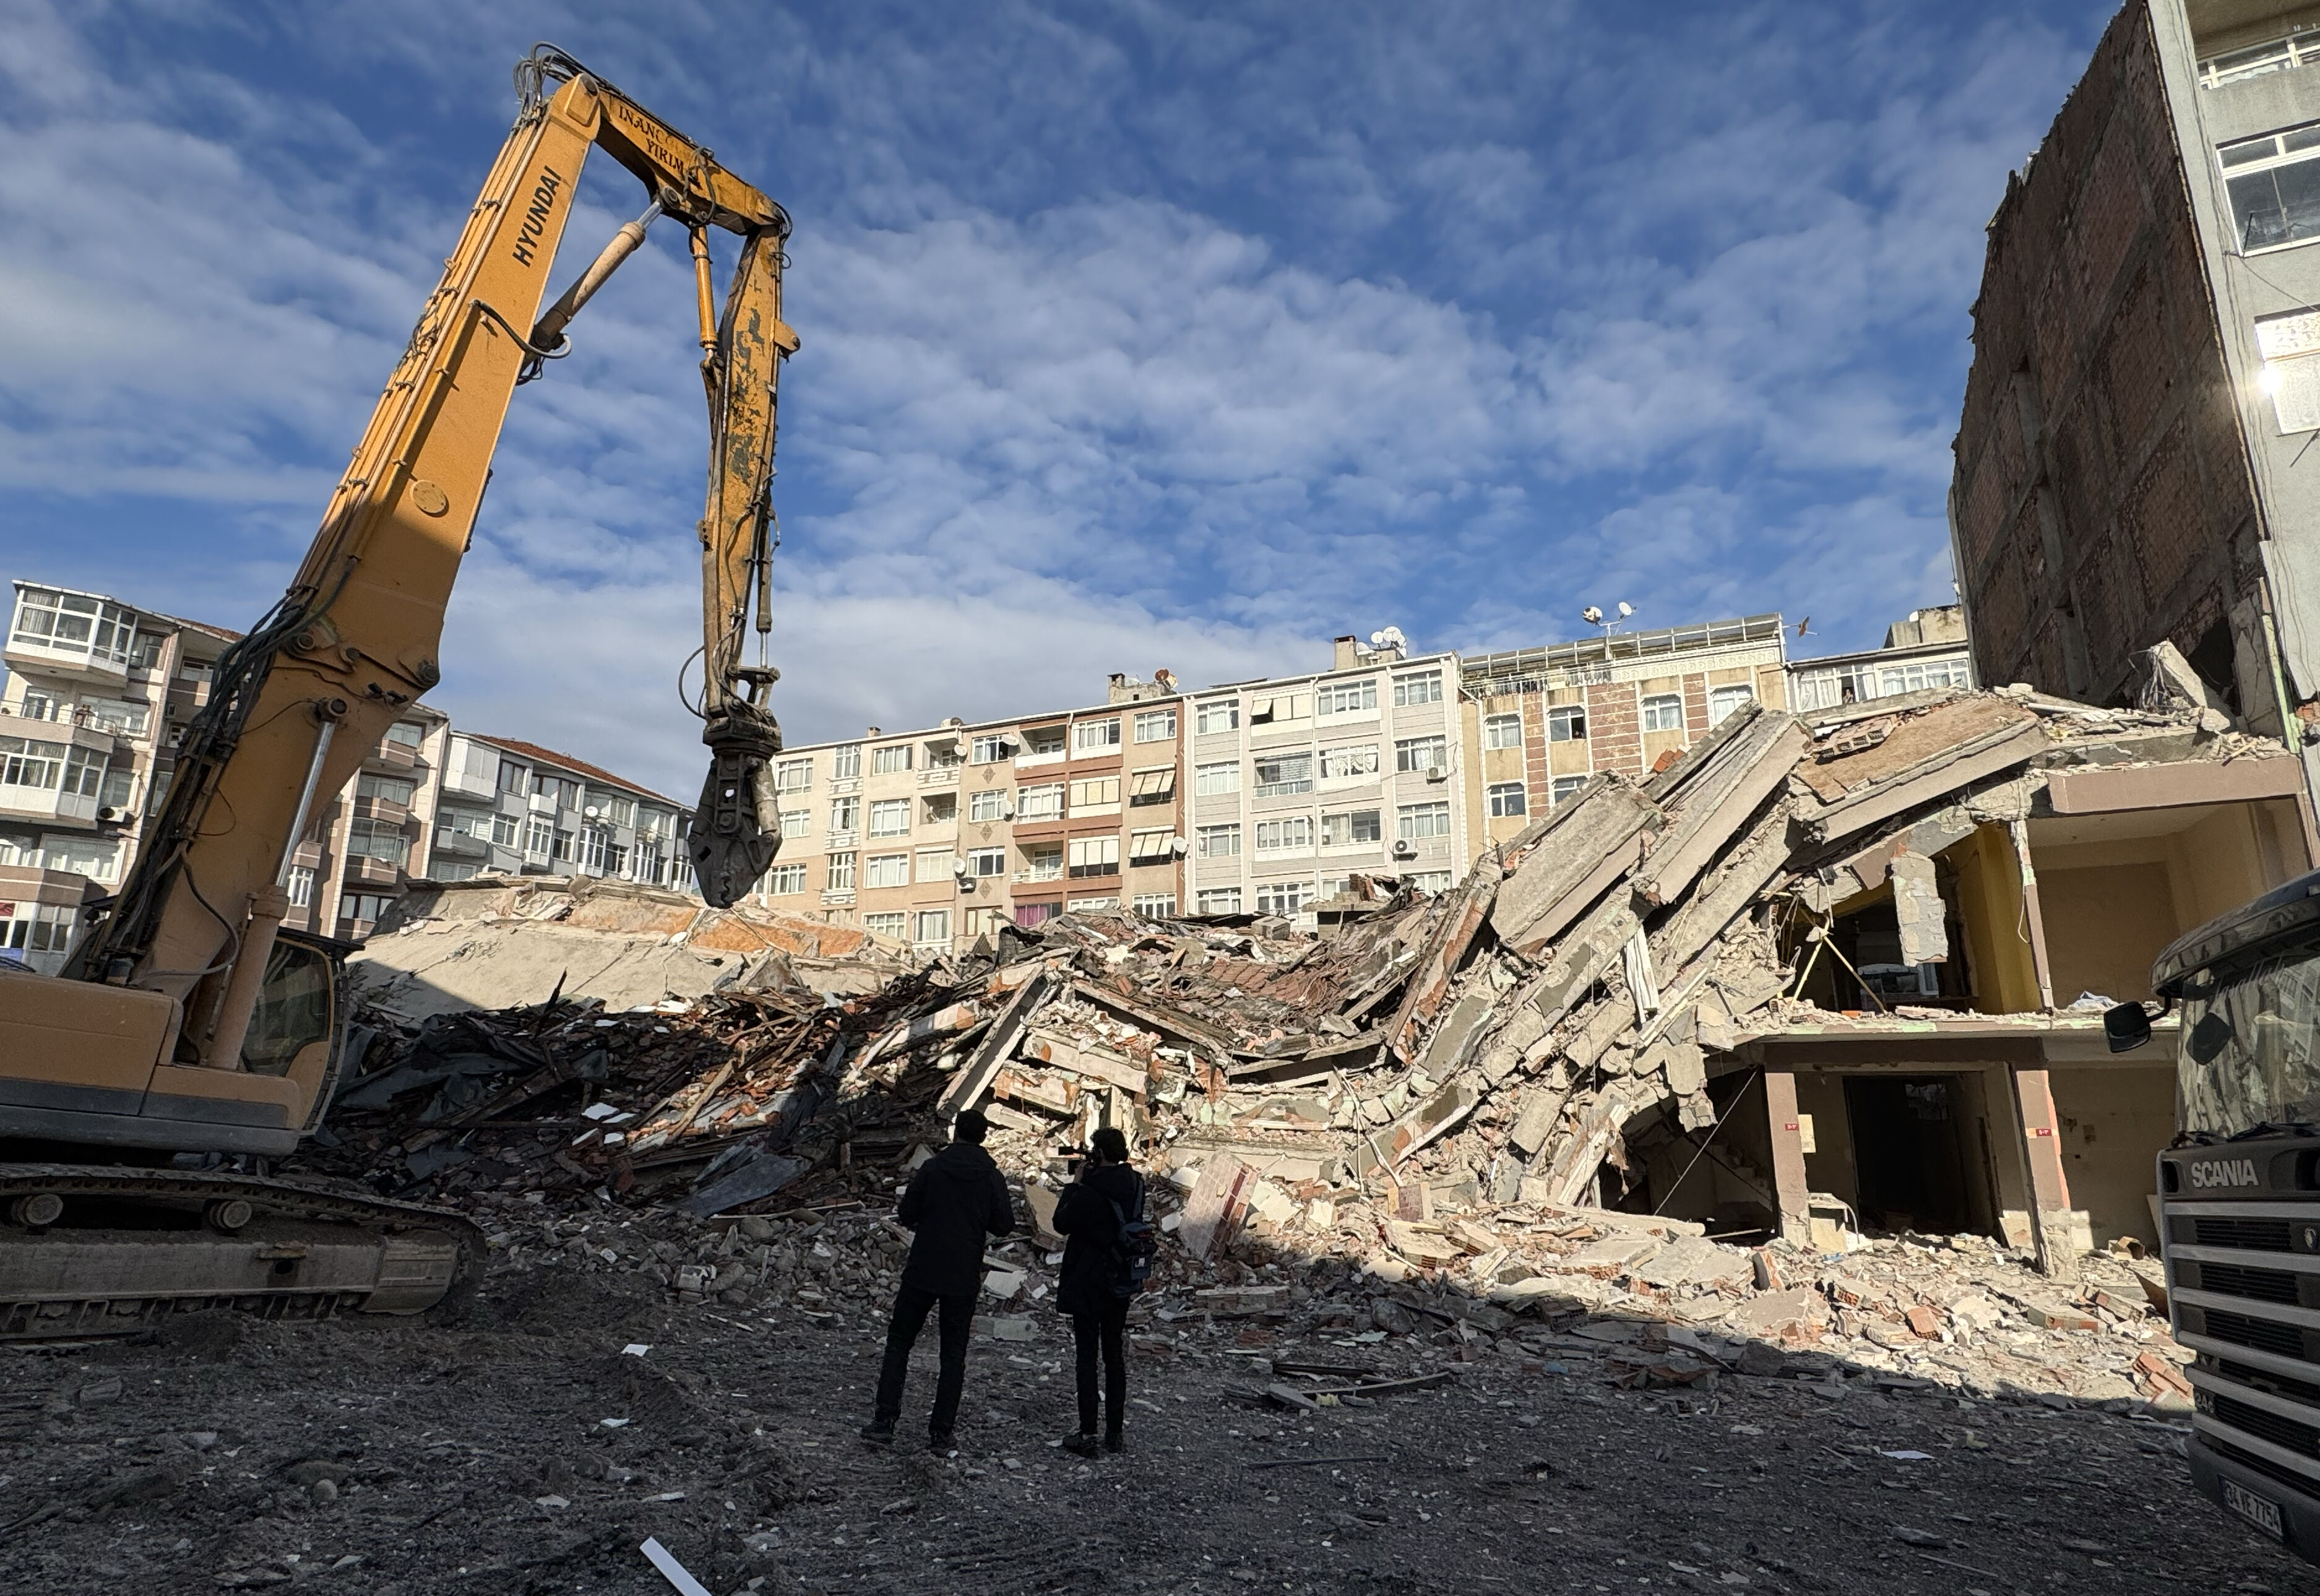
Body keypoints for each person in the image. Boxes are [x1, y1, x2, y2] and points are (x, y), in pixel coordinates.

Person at [862, 1108, 1014, 1451]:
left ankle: (884, 1421)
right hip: (963, 1273)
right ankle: (941, 1433)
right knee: (953, 1353)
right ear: (984, 1137)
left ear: (955, 1133)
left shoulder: (933, 1169)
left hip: (924, 1267)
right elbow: (1004, 1224)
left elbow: (906, 1214)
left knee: (900, 1342)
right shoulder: (991, 1177)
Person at [1053, 1125, 1143, 1457]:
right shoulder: (1135, 1183)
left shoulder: (1089, 1189)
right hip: (1120, 1278)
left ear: (1100, 1153)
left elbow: (1060, 1223)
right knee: (1114, 1354)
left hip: (1088, 1279)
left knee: (1087, 1356)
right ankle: (1115, 1432)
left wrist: (1074, 1186)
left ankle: (1088, 1431)